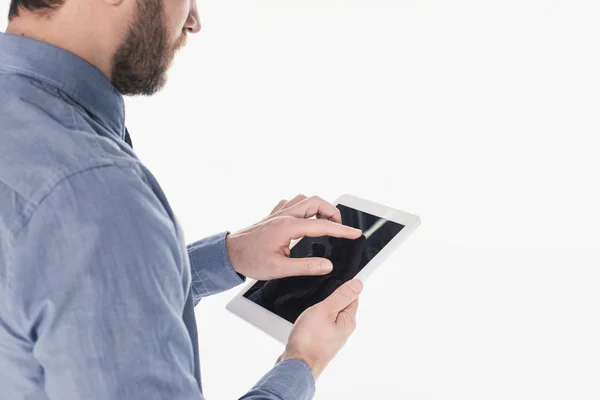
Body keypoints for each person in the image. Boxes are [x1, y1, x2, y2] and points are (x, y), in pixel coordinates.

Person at [0, 0, 365, 399]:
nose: (193, 21)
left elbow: (60, 294)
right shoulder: (97, 195)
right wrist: (301, 364)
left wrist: (227, 256)